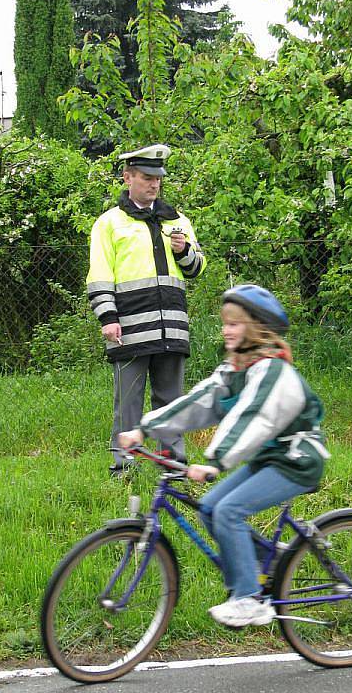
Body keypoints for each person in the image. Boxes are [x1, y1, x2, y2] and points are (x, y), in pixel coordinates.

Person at [118, 284, 329, 628]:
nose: (226, 330)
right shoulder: (234, 370)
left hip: (296, 460)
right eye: (225, 323)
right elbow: (198, 401)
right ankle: (268, 560)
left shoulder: (274, 372)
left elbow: (252, 419)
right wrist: (146, 428)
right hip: (270, 458)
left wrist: (215, 461)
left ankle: (248, 598)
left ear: (257, 327)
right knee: (210, 508)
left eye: (235, 324)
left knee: (229, 511)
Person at [87, 143, 206, 476]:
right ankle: (123, 467)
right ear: (128, 178)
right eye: (146, 177)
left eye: (157, 178)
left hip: (172, 326)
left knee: (171, 401)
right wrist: (107, 318)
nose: (153, 184)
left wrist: (184, 252)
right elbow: (99, 274)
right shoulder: (108, 223)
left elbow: (197, 269)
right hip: (128, 329)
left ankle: (173, 466)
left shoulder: (178, 220)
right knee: (128, 405)